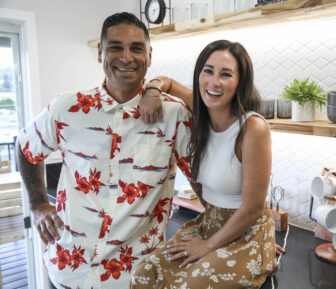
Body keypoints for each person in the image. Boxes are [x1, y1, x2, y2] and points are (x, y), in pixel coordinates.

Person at [16, 12, 192, 289]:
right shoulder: (68, 108)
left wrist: (246, 233)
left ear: (149, 55)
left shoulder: (174, 115)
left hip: (137, 277)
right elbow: (26, 147)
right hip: (68, 270)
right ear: (100, 52)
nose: (126, 57)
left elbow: (208, 181)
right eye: (115, 47)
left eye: (136, 48)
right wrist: (37, 203)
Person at [131, 40, 278, 288]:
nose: (214, 82)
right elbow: (166, 81)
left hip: (246, 235)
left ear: (240, 82)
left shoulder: (253, 128)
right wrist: (153, 90)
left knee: (193, 284)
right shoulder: (202, 106)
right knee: (144, 273)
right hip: (208, 224)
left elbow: (253, 209)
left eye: (226, 74)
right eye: (208, 71)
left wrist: (207, 246)